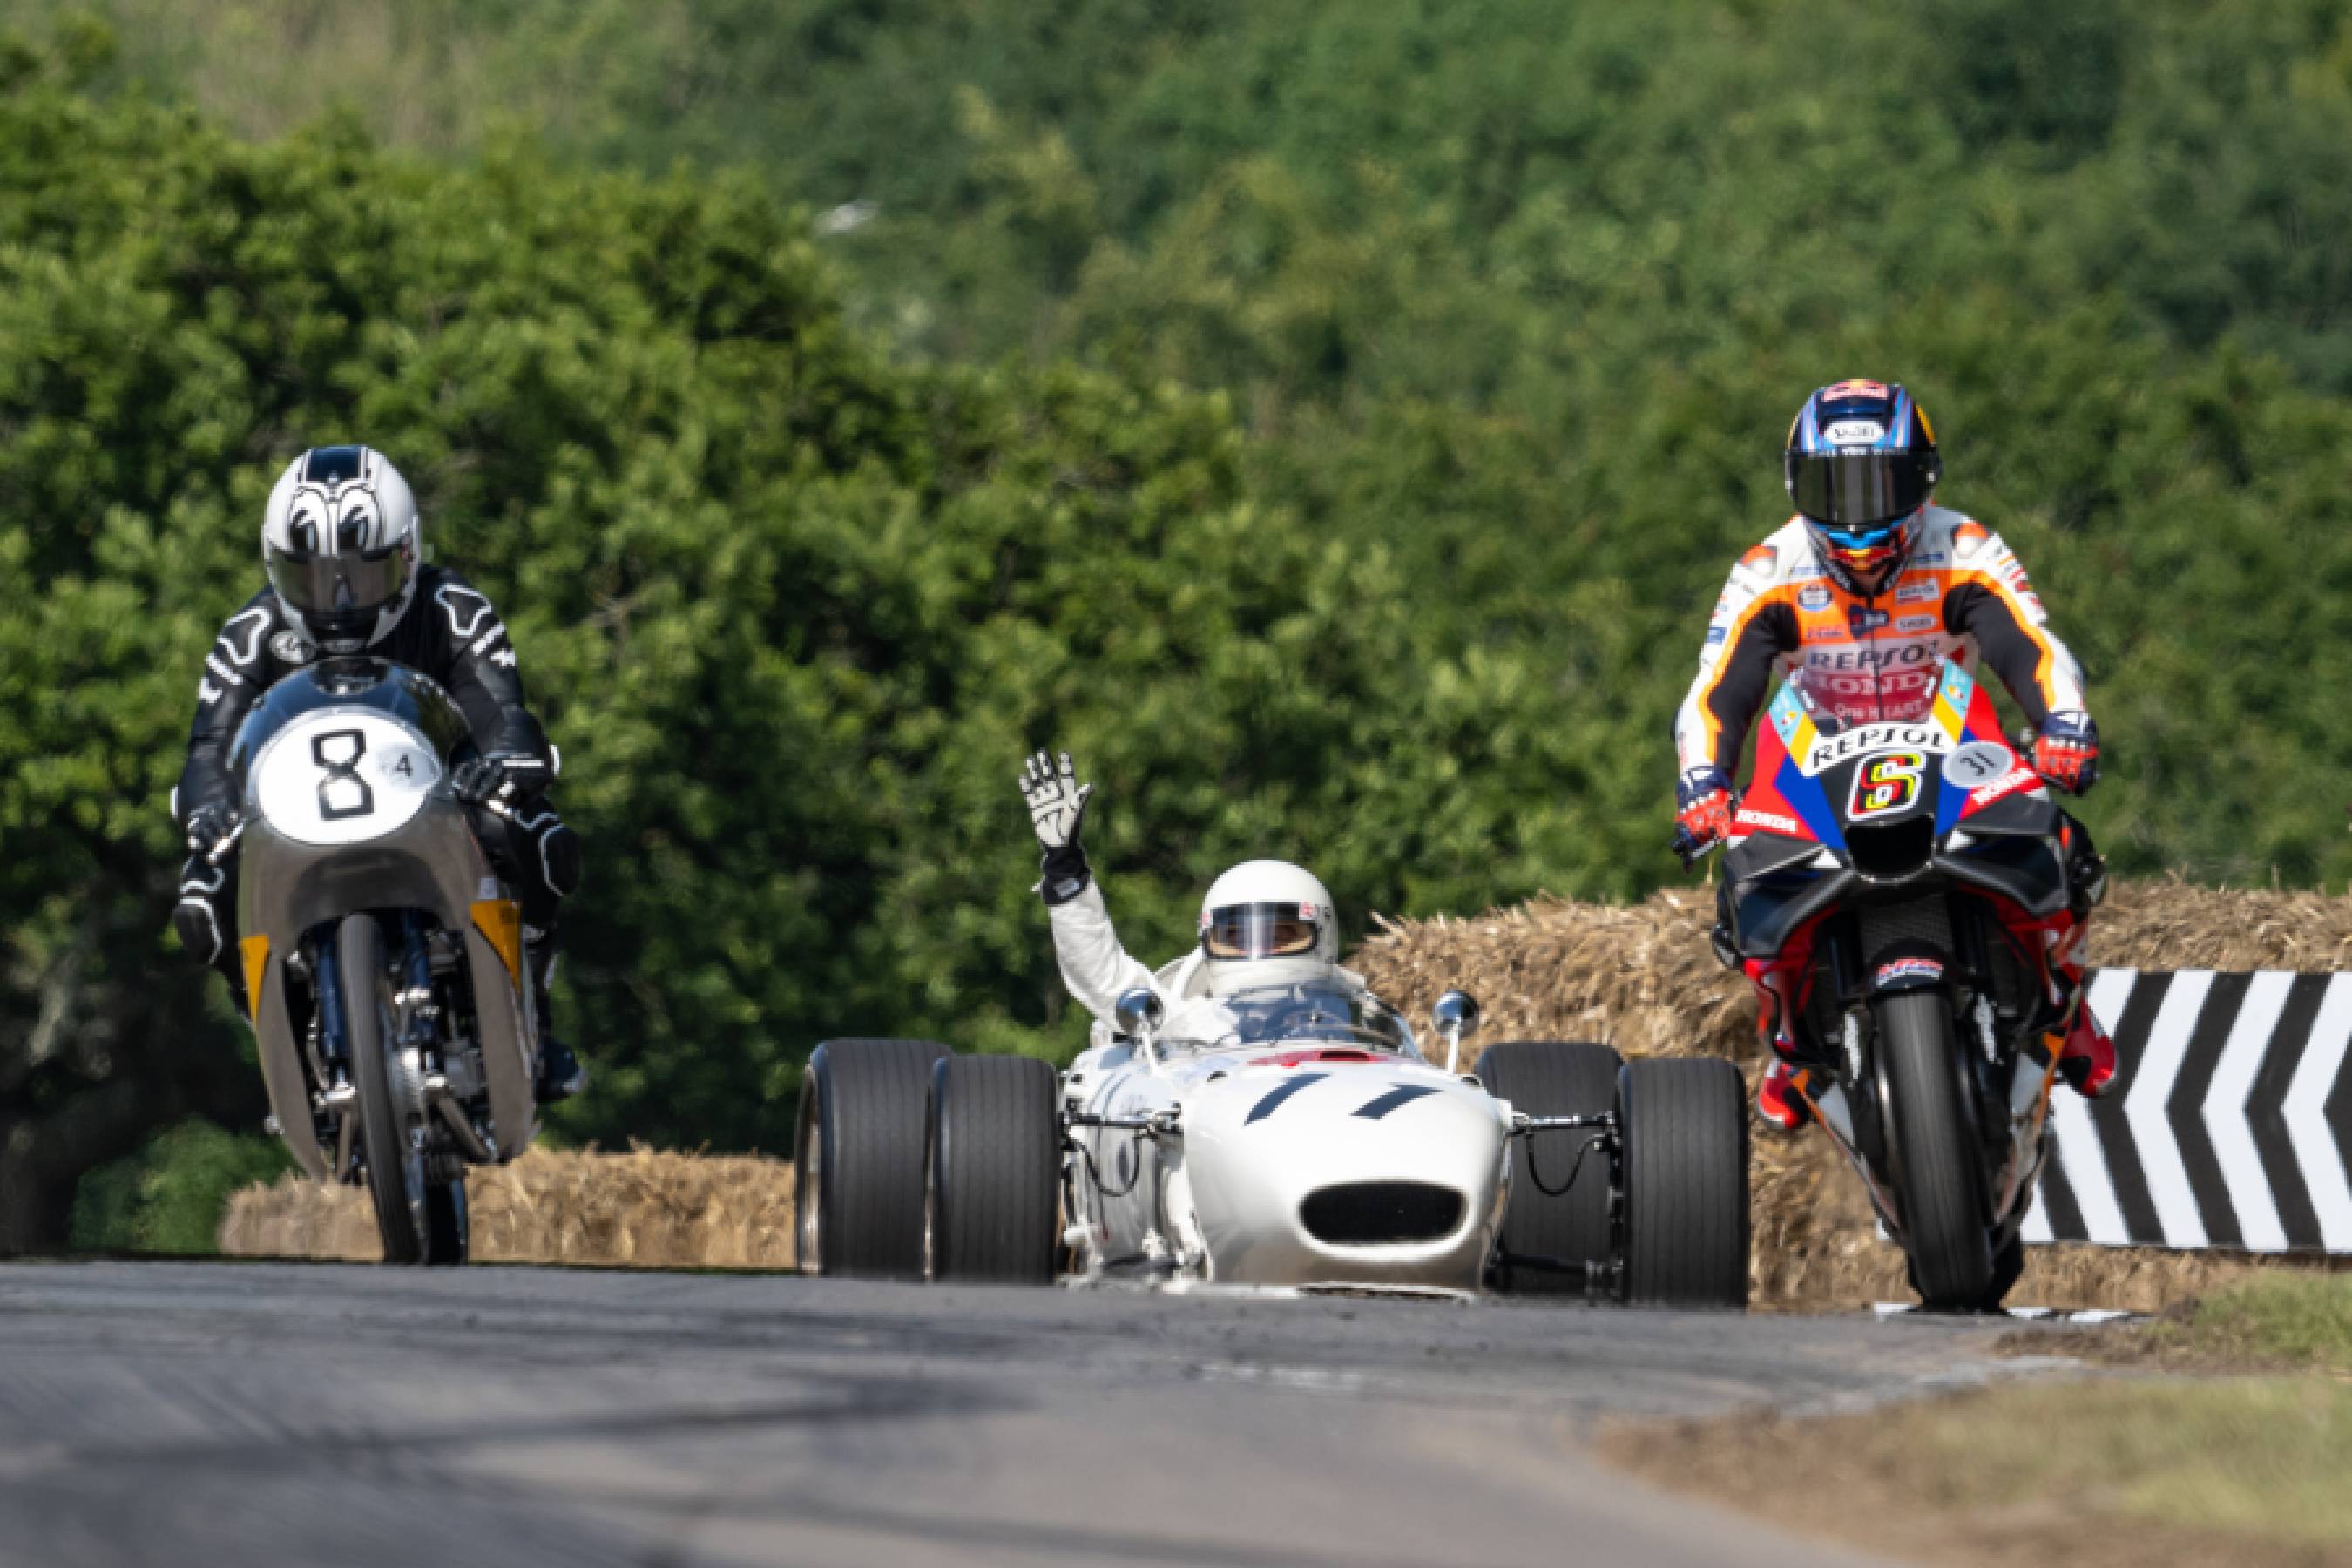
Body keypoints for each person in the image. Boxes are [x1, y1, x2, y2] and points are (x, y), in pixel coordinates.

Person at [1670, 381, 2112, 1130]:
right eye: (1832, 487)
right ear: (1795, 487)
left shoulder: (1964, 547)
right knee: (1740, 886)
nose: (1856, 512)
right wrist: (1703, 783)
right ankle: (1784, 1032)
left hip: (1952, 745)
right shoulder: (1766, 570)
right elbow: (1717, 692)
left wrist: (2065, 724)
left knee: (2067, 846)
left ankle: (2063, 993)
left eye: (1878, 485)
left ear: (1921, 482)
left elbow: (2030, 648)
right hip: (1815, 759)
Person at [172, 445, 585, 1102]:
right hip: (294, 819)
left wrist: (505, 762)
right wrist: (208, 810)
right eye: (312, 577)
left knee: (537, 837)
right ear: (275, 566)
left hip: (437, 802)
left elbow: (502, 707)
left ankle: (532, 1003)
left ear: (408, 555)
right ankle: (275, 1027)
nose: (338, 599)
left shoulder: (453, 608)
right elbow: (209, 748)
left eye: (363, 574)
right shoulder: (249, 634)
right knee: (201, 900)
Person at [1020, 750, 1369, 1047]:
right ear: (1207, 943)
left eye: (1282, 936)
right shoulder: (1199, 1029)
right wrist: (1065, 870)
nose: (1259, 950)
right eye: (1234, 937)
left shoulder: (1365, 1024)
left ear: (1323, 936)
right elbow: (1105, 981)